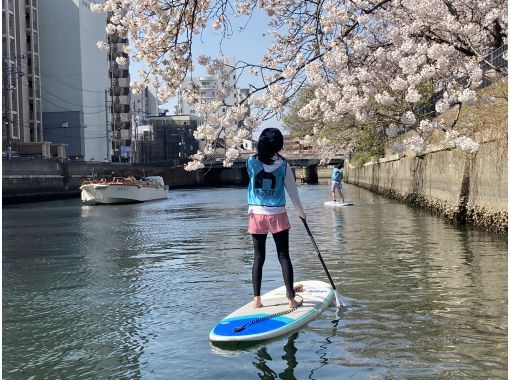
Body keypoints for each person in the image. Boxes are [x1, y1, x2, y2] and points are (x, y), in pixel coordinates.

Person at [247, 128, 306, 309]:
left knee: (258, 257)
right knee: (283, 256)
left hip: (256, 213)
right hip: (277, 213)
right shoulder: (284, 165)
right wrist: (301, 213)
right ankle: (291, 299)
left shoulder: (250, 161)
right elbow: (292, 192)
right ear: (279, 145)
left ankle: (257, 299)